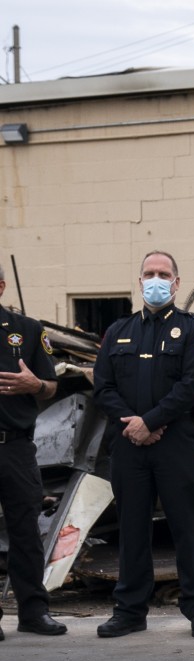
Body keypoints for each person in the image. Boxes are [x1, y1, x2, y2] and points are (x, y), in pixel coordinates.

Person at [92, 251, 194, 639]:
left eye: (164, 274)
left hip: (176, 443)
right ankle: (130, 611)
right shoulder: (118, 331)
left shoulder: (192, 330)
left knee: (187, 526)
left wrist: (151, 421)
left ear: (177, 283)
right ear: (140, 281)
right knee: (131, 529)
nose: (156, 279)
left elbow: (193, 384)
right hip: (128, 444)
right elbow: (103, 387)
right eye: (149, 273)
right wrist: (134, 424)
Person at [0, 263, 67, 641]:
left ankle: (33, 612)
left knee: (25, 530)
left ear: (1, 287)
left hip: (15, 447)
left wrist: (33, 384)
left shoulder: (26, 330)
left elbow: (51, 386)